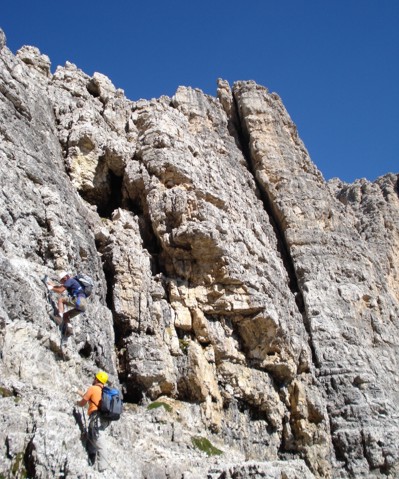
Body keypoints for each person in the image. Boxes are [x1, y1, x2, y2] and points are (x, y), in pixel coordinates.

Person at [76, 371, 110, 471]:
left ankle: (102, 467)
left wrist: (77, 403)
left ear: (96, 379)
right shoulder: (104, 391)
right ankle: (91, 458)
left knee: (99, 439)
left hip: (96, 417)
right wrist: (78, 392)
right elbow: (89, 398)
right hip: (103, 419)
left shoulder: (93, 388)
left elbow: (83, 403)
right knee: (93, 435)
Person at [47, 271, 87, 335]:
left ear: (65, 277)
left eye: (61, 280)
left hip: (79, 300)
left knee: (61, 300)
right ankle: (69, 330)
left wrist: (51, 288)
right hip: (84, 305)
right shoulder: (71, 282)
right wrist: (51, 285)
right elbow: (59, 287)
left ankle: (59, 318)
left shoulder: (70, 280)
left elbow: (60, 290)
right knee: (66, 315)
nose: (61, 282)